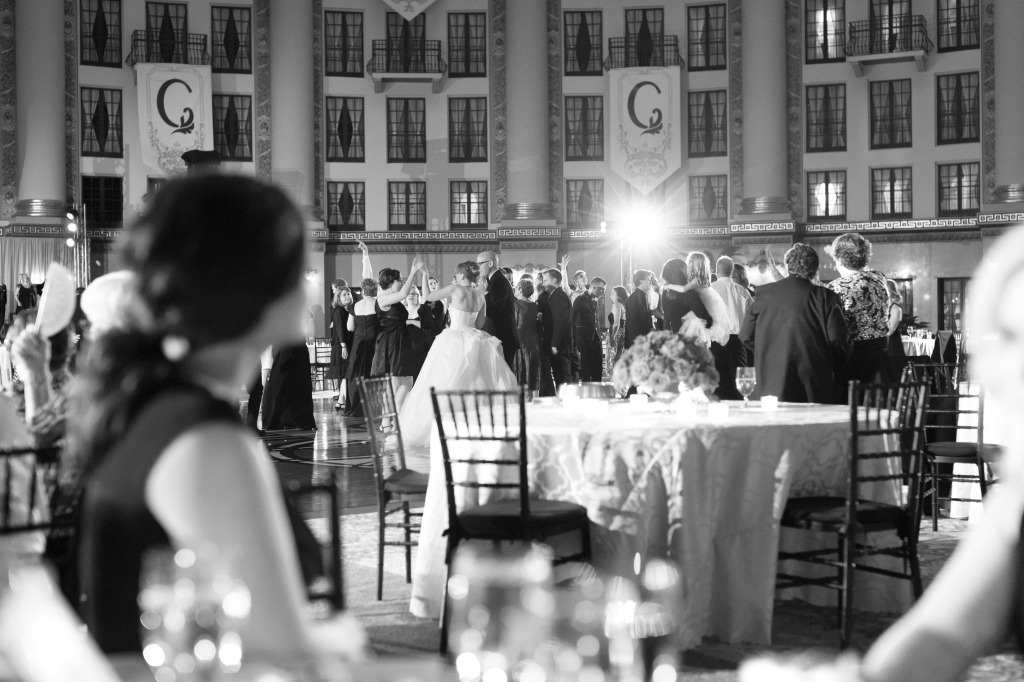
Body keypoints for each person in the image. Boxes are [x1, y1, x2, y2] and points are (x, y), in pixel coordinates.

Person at [71, 174, 365, 658]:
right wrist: (342, 639)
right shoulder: (207, 440)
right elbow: (283, 656)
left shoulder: (154, 403)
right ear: (258, 285)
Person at [397, 261, 518, 449]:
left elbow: (427, 296)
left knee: (444, 380)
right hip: (475, 339)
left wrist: (425, 274)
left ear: (461, 275)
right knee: (476, 382)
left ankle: (443, 427)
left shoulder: (455, 289)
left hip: (453, 338)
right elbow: (479, 323)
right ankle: (474, 427)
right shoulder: (480, 295)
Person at [739, 243, 850, 403]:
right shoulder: (826, 297)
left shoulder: (764, 293)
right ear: (815, 269)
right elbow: (839, 342)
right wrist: (827, 364)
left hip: (771, 381)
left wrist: (770, 350)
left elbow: (745, 335)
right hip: (814, 382)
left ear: (788, 267)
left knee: (771, 427)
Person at [827, 233, 890, 392]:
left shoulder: (836, 287)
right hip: (881, 354)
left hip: (854, 357)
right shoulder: (879, 277)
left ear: (840, 259)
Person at [709, 256, 753, 399]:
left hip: (715, 339)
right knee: (739, 382)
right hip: (738, 341)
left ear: (716, 270)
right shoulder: (743, 291)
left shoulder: (709, 289)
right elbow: (753, 315)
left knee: (717, 381)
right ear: (732, 271)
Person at [344, 242, 379, 417]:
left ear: (362, 290)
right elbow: (368, 275)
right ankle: (373, 407)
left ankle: (354, 406)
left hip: (358, 343)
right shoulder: (379, 304)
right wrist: (366, 254)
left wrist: (365, 254)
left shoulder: (356, 305)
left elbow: (349, 327)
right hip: (374, 343)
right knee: (373, 373)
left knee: (354, 374)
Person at [477, 250, 519, 370]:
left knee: (502, 379)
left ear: (490, 263)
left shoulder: (498, 281)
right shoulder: (493, 280)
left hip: (502, 338)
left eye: (480, 264)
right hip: (499, 336)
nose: (478, 268)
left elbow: (494, 310)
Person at [659, 258, 710, 333]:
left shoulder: (666, 291)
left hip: (674, 333)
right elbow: (704, 317)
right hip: (690, 335)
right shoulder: (689, 292)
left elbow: (667, 316)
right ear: (682, 270)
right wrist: (710, 321)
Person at [541, 268, 572, 389]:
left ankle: (567, 402)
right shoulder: (556, 295)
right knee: (560, 376)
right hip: (560, 343)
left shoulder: (558, 296)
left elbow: (559, 321)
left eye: (545, 280)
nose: (543, 284)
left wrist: (554, 343)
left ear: (554, 280)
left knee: (563, 377)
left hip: (560, 345)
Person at [572, 276, 605, 382]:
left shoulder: (595, 300)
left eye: (604, 290)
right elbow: (572, 319)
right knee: (585, 368)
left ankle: (596, 390)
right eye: (601, 289)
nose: (602, 292)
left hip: (594, 338)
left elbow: (595, 320)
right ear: (593, 287)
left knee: (597, 368)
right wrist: (574, 339)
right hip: (584, 338)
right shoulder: (580, 299)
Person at [513, 278, 540, 397]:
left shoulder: (516, 304)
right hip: (533, 341)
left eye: (516, 287)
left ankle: (521, 399)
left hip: (520, 340)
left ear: (520, 289)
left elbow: (513, 323)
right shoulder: (534, 305)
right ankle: (531, 398)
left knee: (519, 369)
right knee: (531, 369)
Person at [328, 281, 353, 410]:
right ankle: (342, 401)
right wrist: (344, 346)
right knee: (345, 375)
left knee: (346, 376)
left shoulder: (347, 310)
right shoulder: (338, 311)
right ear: (339, 298)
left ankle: (341, 401)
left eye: (348, 293)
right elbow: (340, 329)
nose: (348, 296)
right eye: (344, 294)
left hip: (346, 345)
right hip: (342, 346)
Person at [882, 278, 907, 382]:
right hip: (884, 343)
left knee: (894, 372)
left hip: (892, 343)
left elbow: (890, 330)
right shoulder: (883, 307)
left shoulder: (895, 308)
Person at [624, 269, 654, 349]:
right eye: (648, 280)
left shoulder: (644, 296)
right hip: (637, 343)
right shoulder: (634, 298)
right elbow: (632, 324)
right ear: (641, 281)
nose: (651, 282)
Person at [607, 285, 628, 373]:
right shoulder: (624, 305)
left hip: (617, 333)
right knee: (620, 357)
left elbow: (617, 322)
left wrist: (612, 337)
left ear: (618, 295)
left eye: (612, 293)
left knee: (614, 359)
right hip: (623, 332)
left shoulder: (616, 304)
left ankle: (614, 381)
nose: (610, 295)